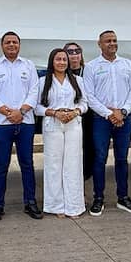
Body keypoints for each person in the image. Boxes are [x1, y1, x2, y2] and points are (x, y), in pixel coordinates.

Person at [0, 31, 41, 222]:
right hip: (1, 124)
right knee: (1, 166)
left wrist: (21, 112)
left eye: (14, 42)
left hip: (25, 123)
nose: (11, 45)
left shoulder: (29, 65)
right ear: (2, 45)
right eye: (7, 42)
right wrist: (9, 113)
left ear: (19, 45)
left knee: (27, 164)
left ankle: (30, 202)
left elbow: (34, 92)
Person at [83, 30, 131, 216]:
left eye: (114, 40)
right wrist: (109, 114)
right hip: (101, 119)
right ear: (99, 44)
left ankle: (123, 197)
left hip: (124, 118)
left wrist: (122, 112)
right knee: (100, 158)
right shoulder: (91, 66)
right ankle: (98, 198)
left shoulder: (127, 65)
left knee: (122, 158)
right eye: (108, 41)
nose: (112, 43)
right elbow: (89, 96)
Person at [35, 48, 89, 218]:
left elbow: (84, 103)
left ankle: (74, 206)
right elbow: (36, 107)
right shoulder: (43, 81)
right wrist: (54, 113)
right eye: (58, 59)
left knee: (73, 164)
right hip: (52, 124)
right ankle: (56, 206)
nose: (62, 62)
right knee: (54, 165)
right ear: (52, 61)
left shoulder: (78, 81)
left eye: (64, 59)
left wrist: (75, 112)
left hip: (73, 124)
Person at [65, 42, 95, 182]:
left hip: (87, 114)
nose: (74, 54)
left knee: (88, 145)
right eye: (70, 52)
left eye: (77, 51)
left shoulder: (88, 70)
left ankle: (85, 175)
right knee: (70, 148)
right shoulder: (61, 72)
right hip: (68, 115)